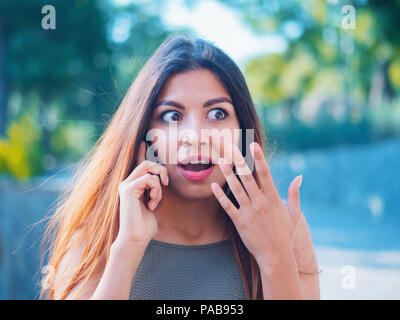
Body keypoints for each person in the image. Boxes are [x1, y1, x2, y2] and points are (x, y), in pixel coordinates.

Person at [39, 33, 320, 300]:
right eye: (172, 115)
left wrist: (275, 256)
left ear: (243, 132)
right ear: (143, 133)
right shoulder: (98, 233)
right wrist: (127, 246)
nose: (195, 136)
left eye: (218, 113)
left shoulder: (286, 227)